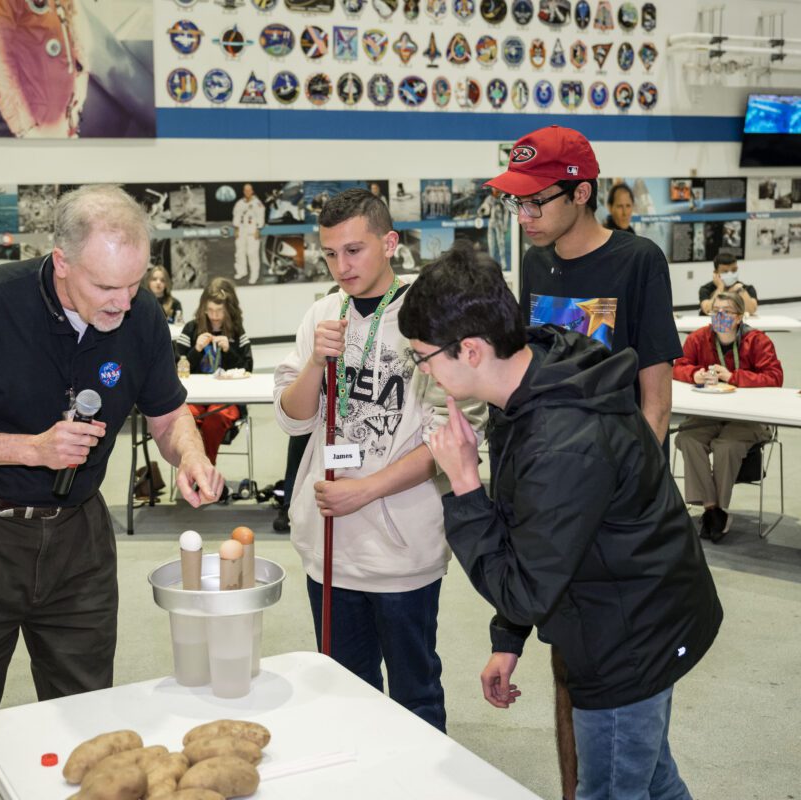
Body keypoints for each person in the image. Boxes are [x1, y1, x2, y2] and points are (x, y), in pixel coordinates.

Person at [0, 185, 222, 799]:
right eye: (107, 287)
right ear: (62, 262)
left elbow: (167, 414)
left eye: (135, 284)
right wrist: (32, 448)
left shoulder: (139, 315)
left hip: (79, 542)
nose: (124, 302)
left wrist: (191, 455)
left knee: (89, 722)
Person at [398, 247, 723, 800]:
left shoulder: (560, 440)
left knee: (614, 787)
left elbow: (526, 587)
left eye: (422, 357)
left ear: (470, 350)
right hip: (627, 611)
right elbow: (535, 531)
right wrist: (509, 637)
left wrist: (465, 485)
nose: (422, 370)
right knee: (653, 778)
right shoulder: (535, 375)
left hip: (629, 641)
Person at [484, 124, 684, 800]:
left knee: (620, 713)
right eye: (517, 202)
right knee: (615, 728)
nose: (524, 215)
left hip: (619, 518)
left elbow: (656, 402)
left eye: (536, 201)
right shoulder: (535, 262)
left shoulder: (638, 261)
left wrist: (628, 502)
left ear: (582, 192)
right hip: (560, 504)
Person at [274, 188, 487, 732]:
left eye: (354, 250)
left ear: (389, 243)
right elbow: (293, 418)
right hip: (329, 545)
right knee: (345, 692)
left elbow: (453, 435)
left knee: (416, 694)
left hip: (402, 548)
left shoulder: (431, 316)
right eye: (329, 254)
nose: (340, 266)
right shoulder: (322, 314)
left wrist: (366, 490)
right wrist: (315, 364)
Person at [674, 291, 783, 542]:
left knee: (726, 446)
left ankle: (717, 510)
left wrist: (733, 377)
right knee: (688, 439)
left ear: (739, 317)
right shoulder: (698, 338)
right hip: (709, 413)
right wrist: (694, 374)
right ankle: (713, 510)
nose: (719, 316)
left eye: (726, 312)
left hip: (748, 417)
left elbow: (774, 377)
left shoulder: (757, 341)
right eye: (715, 311)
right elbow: (678, 365)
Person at [175, 277, 253, 467]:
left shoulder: (236, 331)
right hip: (195, 397)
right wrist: (196, 350)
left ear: (228, 310)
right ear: (203, 308)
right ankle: (193, 469)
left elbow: (247, 368)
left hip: (227, 399)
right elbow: (177, 367)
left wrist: (229, 350)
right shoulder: (191, 328)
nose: (214, 315)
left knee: (214, 418)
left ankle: (204, 469)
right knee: (186, 419)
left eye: (219, 310)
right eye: (210, 310)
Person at [233, 183, 265, 284]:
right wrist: (236, 228)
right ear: (243, 191)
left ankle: (254, 275)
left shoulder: (257, 203)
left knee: (252, 253)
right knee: (239, 252)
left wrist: (258, 229)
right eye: (245, 190)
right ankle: (241, 271)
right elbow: (236, 216)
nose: (247, 192)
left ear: (252, 191)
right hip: (241, 230)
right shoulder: (239, 203)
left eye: (249, 190)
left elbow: (260, 217)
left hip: (252, 230)